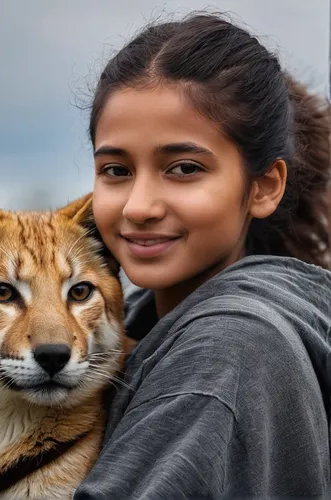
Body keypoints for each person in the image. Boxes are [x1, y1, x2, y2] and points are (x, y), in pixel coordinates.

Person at [74, 12, 331, 499]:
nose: (139, 206)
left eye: (184, 168)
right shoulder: (132, 325)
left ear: (263, 186)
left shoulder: (228, 350)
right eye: (115, 169)